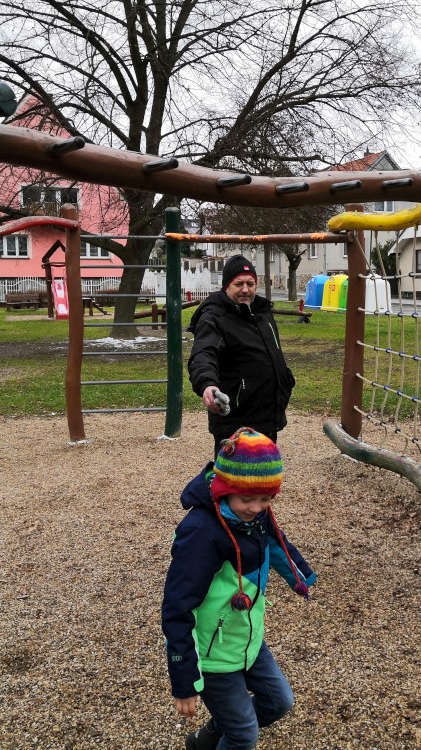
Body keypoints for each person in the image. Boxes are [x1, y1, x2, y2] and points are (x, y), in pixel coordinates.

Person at [162, 427, 316, 750]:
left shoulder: (255, 516)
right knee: (244, 734)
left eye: (266, 499)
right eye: (247, 499)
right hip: (214, 652)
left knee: (279, 701)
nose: (257, 508)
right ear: (224, 488)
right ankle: (228, 729)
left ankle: (208, 738)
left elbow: (276, 543)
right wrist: (184, 679)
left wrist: (300, 577)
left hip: (247, 639)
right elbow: (177, 606)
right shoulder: (201, 533)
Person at [187, 255, 296, 455]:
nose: (245, 289)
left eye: (250, 284)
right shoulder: (214, 317)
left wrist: (285, 379)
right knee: (234, 473)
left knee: (265, 470)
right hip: (235, 419)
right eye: (238, 284)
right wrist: (207, 384)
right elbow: (204, 353)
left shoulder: (262, 312)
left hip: (267, 416)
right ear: (226, 286)